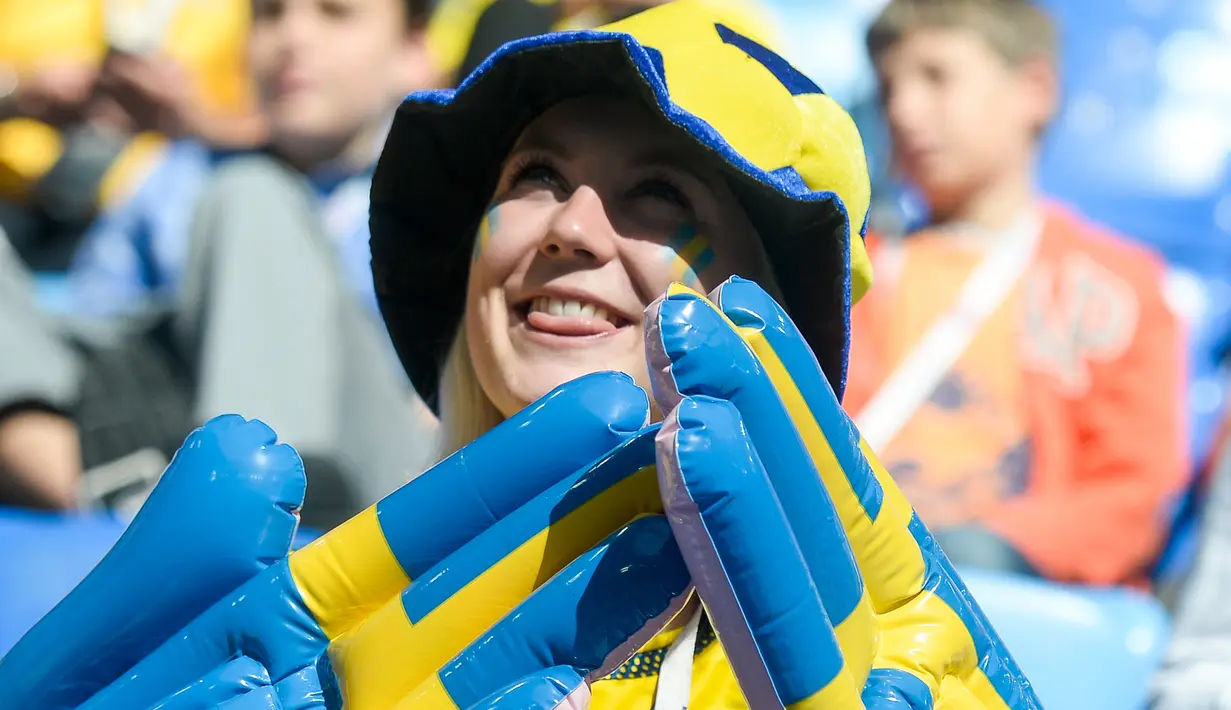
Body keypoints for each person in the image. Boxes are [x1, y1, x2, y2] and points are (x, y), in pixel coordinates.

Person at [0, 3, 1043, 708]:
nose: (571, 228)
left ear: (768, 311)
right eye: (537, 174)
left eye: (663, 196)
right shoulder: (274, 633)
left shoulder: (869, 667)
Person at [841, 0, 1188, 587]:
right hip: (847, 585)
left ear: (1034, 89)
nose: (903, 109)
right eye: (888, 85)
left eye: (936, 76)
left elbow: (1132, 495)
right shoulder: (849, 268)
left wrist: (993, 546)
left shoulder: (1117, 287)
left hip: (1017, 608)